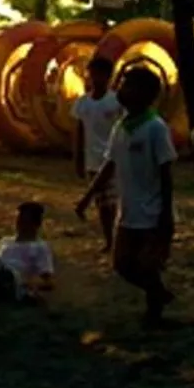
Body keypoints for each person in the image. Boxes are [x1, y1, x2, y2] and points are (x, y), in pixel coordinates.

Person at [77, 65, 177, 326]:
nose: (121, 90)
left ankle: (154, 313)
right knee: (121, 264)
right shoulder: (120, 127)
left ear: (146, 93)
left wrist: (166, 214)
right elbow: (109, 166)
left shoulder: (156, 128)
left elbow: (166, 173)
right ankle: (159, 293)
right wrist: (87, 198)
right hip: (128, 211)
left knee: (147, 265)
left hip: (153, 213)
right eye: (122, 84)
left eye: (128, 85)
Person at [70, 54, 122, 252]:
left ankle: (114, 239)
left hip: (114, 158)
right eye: (92, 75)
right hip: (93, 158)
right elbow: (79, 132)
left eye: (100, 75)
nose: (95, 79)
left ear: (108, 76)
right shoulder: (82, 103)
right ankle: (109, 238)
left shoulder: (116, 102)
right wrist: (78, 158)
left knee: (112, 201)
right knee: (102, 203)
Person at [0, 201, 57, 299]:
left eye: (24, 221)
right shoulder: (5, 241)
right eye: (18, 220)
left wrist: (27, 282)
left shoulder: (39, 247)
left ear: (35, 225)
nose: (19, 225)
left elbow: (49, 281)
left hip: (13, 282)